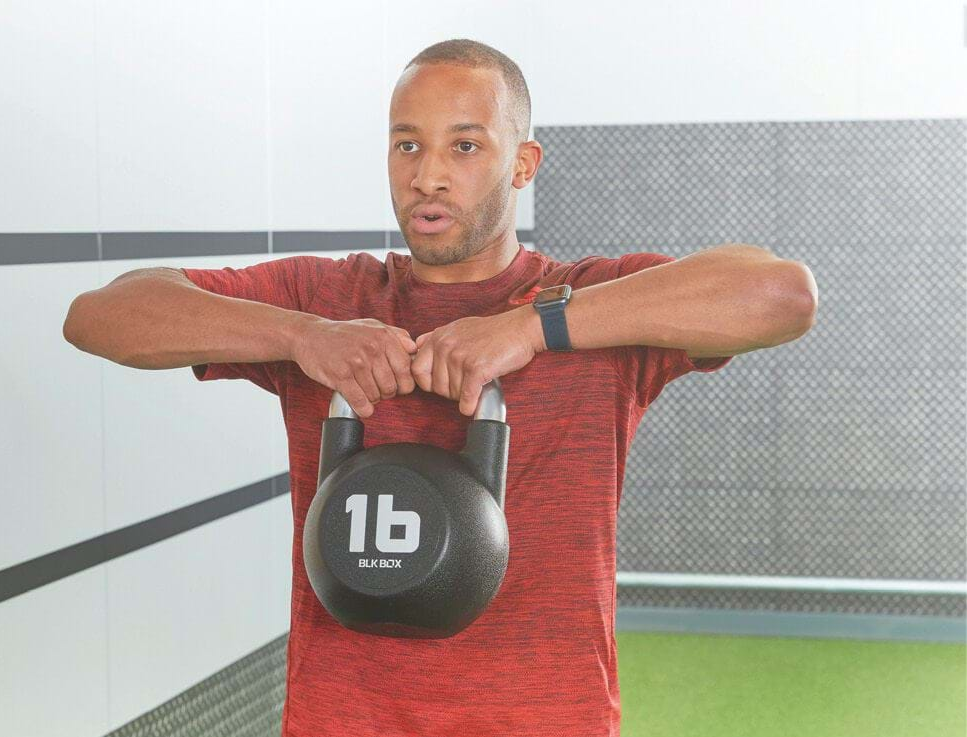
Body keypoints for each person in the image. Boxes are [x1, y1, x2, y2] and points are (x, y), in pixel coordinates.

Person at [63, 38, 817, 737]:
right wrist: (302, 337)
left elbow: (779, 295)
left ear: (522, 164)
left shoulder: (587, 302)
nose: (427, 174)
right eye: (406, 145)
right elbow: (103, 316)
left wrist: (533, 328)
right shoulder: (326, 299)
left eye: (464, 145)